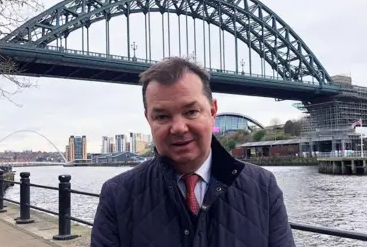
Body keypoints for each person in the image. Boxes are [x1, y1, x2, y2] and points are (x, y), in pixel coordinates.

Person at [90, 57, 295, 247]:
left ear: (213, 111)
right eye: (162, 116)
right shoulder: (117, 196)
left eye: (191, 112)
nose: (178, 128)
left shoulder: (263, 188)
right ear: (148, 119)